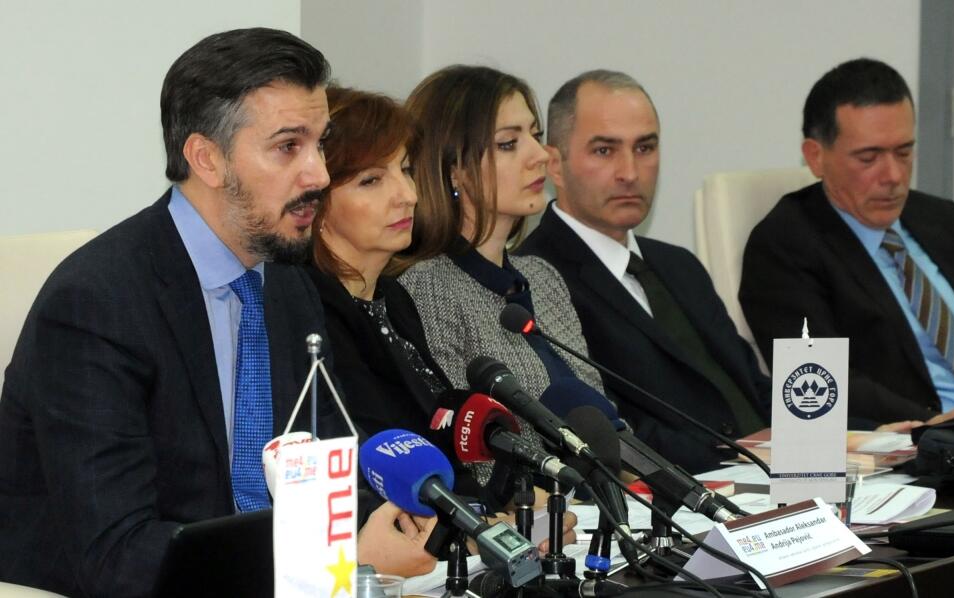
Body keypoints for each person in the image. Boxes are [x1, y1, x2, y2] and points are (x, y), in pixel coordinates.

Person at [0, 29, 428, 595]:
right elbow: (117, 553)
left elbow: (326, 460)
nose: (319, 175)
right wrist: (337, 553)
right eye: (288, 147)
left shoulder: (288, 285)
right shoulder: (97, 301)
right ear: (206, 159)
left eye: (319, 144)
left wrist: (394, 521)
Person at [308, 86, 576, 552]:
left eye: (406, 170)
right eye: (371, 181)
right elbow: (369, 467)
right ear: (313, 199)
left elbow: (438, 437)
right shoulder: (310, 310)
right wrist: (474, 535)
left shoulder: (392, 299)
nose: (407, 195)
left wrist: (506, 509)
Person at [517, 70, 769, 474]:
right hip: (692, 487)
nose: (630, 172)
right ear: (556, 165)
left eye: (645, 148)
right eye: (604, 150)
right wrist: (739, 455)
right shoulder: (536, 279)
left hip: (768, 476)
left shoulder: (679, 265)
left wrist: (835, 436)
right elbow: (609, 429)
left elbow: (751, 388)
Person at [740, 58, 954, 429]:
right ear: (816, 156)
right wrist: (944, 426)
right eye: (869, 157)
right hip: (928, 438)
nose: (893, 176)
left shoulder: (944, 219)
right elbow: (823, 382)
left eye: (904, 152)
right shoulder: (784, 247)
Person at [397, 66, 606, 478]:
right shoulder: (426, 288)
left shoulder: (542, 277)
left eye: (535, 135)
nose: (540, 154)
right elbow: (474, 458)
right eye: (509, 143)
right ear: (454, 169)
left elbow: (601, 418)